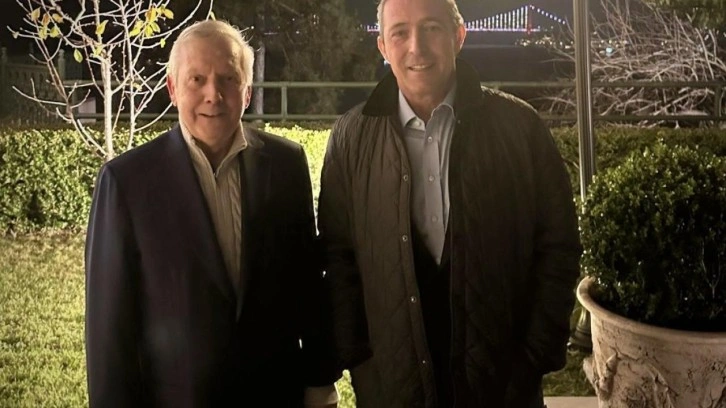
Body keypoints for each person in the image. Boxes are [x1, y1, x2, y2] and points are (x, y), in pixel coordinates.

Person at [317, 0, 583, 406]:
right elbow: (338, 259)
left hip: (504, 391)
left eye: (432, 28)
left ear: (459, 36)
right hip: (391, 391)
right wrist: (362, 365)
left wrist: (533, 359)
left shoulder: (520, 127)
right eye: (400, 33)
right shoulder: (350, 138)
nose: (417, 47)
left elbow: (558, 247)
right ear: (383, 47)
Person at [85, 20, 338, 407]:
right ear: (172, 88)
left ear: (247, 91)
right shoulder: (127, 181)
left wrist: (320, 381)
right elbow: (109, 328)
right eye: (197, 79)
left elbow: (307, 283)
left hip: (275, 396)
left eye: (228, 79)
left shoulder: (286, 164)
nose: (213, 94)